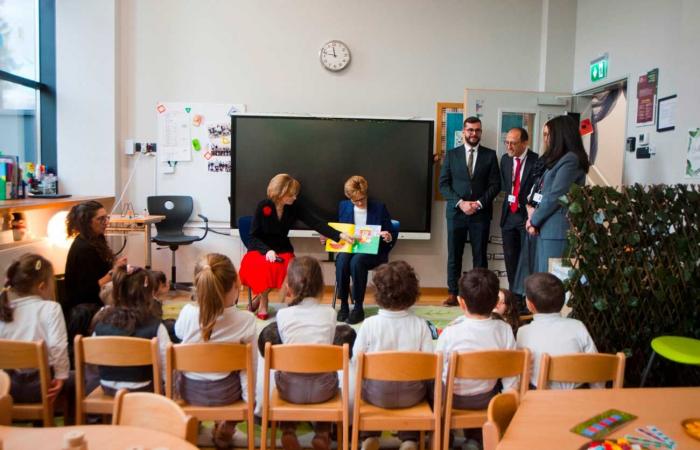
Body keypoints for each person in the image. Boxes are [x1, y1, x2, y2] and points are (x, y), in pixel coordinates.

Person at [239, 173, 351, 320]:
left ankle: (265, 298)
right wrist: (267, 251)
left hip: (282, 248)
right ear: (281, 194)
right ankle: (263, 300)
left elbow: (316, 223)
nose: (295, 197)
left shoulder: (294, 207)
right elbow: (253, 236)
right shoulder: (263, 206)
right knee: (263, 267)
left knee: (291, 269)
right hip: (260, 248)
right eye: (292, 194)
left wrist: (339, 235)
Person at [174, 253, 256, 447]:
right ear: (236, 285)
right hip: (226, 394)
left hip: (189, 392)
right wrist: (250, 401)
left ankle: (194, 422)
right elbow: (252, 367)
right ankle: (228, 424)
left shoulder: (186, 313)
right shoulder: (246, 321)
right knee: (248, 378)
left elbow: (178, 333)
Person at [353, 261, 433, 450]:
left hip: (376, 394)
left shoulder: (370, 324)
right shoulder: (420, 325)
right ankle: (410, 439)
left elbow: (356, 361)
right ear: (413, 293)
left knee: (360, 382)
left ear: (377, 293)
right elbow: (431, 365)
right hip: (412, 395)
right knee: (430, 385)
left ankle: (369, 436)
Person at [275, 256, 337, 450]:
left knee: (283, 373)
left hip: (290, 390)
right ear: (321, 286)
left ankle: (288, 430)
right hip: (323, 391)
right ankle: (323, 433)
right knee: (332, 373)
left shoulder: (282, 315)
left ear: (289, 287)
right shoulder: (330, 314)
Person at [439, 117, 500, 306]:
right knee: (454, 254)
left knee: (480, 255)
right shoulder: (452, 154)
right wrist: (461, 203)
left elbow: (495, 184)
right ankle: (453, 292)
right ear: (464, 132)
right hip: (456, 213)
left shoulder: (490, 155)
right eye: (470, 130)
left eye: (477, 130)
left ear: (481, 132)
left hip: (480, 214)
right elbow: (443, 185)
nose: (474, 134)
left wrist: (479, 203)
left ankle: (480, 294)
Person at [435, 268, 517, 409]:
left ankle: (446, 428)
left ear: (461, 303)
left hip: (451, 400)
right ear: (496, 301)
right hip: (487, 399)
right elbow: (511, 374)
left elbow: (438, 370)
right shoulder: (504, 329)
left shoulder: (450, 332)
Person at [0, 254, 70, 407]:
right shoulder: (51, 308)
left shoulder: (4, 310)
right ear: (42, 286)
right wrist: (61, 376)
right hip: (42, 387)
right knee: (79, 380)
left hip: (6, 388)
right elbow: (58, 346)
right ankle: (71, 429)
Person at [92, 265, 170, 395]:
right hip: (143, 388)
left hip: (108, 387)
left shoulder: (100, 325)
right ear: (147, 294)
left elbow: (94, 362)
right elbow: (167, 367)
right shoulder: (155, 327)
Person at [526, 115, 590, 273]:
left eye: (549, 135)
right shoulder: (558, 159)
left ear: (560, 135)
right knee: (542, 280)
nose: (546, 139)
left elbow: (555, 196)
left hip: (556, 230)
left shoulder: (570, 160)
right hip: (546, 227)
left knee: (551, 282)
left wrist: (534, 220)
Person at [516, 272, 597, 389]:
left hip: (540, 400)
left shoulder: (523, 332)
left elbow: (521, 374)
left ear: (530, 305)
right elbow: (596, 367)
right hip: (579, 398)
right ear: (563, 300)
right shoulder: (578, 326)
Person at [335, 175, 393, 324]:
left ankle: (358, 307)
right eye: (356, 200)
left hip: (372, 251)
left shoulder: (379, 207)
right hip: (350, 248)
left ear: (366, 194)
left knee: (357, 261)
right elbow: (339, 230)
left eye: (362, 199)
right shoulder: (343, 206)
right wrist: (328, 238)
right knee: (341, 260)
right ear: (349, 198)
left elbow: (388, 232)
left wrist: (386, 235)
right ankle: (343, 305)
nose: (360, 203)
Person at [499, 128, 539, 308]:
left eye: (513, 143)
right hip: (509, 217)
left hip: (526, 218)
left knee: (526, 260)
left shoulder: (536, 161)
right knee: (510, 259)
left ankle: (526, 298)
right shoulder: (505, 160)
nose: (509, 146)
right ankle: (513, 298)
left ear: (525, 143)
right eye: (506, 142)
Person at [65, 200, 127, 314]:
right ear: (87, 223)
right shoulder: (83, 248)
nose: (106, 222)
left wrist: (117, 266)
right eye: (100, 219)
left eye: (106, 218)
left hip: (97, 298)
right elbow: (89, 290)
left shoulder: (97, 238)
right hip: (85, 309)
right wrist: (114, 272)